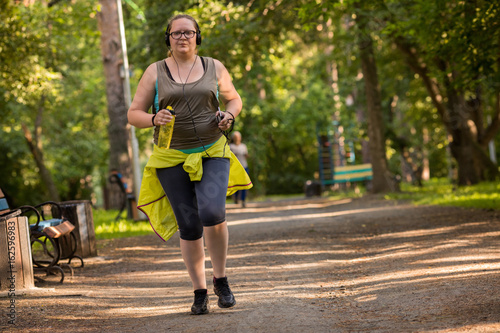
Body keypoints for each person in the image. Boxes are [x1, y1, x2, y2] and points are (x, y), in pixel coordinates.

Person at [127, 14, 252, 315]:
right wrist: (153, 118)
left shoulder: (214, 67)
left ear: (198, 37)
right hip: (171, 156)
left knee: (212, 211)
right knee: (189, 224)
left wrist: (230, 116)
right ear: (168, 38)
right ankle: (199, 291)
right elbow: (133, 114)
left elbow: (234, 99)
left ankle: (220, 278)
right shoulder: (155, 72)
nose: (182, 37)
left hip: (212, 151)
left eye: (189, 32)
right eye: (176, 33)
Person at [229, 131, 249, 207]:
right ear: (233, 138)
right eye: (235, 137)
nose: (237, 138)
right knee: (236, 184)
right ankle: (236, 198)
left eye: (238, 137)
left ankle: (243, 200)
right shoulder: (230, 146)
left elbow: (247, 155)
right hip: (235, 168)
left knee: (244, 184)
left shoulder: (243, 146)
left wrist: (246, 155)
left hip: (244, 166)